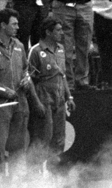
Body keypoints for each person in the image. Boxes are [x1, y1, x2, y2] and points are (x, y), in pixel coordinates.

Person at [0, 8, 34, 184]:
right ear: (3, 25)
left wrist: (27, 80)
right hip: (0, 105)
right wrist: (4, 92)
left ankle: (18, 183)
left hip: (21, 103)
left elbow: (26, 69)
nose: (18, 27)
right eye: (14, 24)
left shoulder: (19, 46)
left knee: (19, 147)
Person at [28, 17, 74, 170]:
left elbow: (63, 75)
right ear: (48, 32)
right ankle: (35, 174)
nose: (62, 33)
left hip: (60, 98)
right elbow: (29, 80)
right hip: (44, 97)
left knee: (59, 140)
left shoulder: (61, 49)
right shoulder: (36, 51)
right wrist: (37, 102)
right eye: (58, 30)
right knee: (44, 138)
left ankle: (54, 176)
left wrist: (69, 97)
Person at [45, 0, 93, 90]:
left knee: (85, 46)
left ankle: (82, 80)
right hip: (62, 6)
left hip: (85, 5)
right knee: (64, 49)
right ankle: (66, 82)